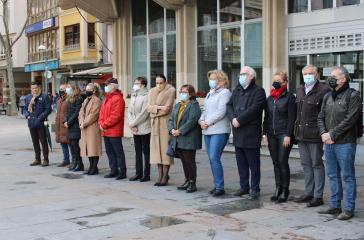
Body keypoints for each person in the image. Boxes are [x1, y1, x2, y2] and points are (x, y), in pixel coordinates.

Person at [317, 67, 362, 220]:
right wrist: (324, 134)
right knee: (332, 175)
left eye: (334, 76)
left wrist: (332, 134)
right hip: (328, 142)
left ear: (343, 79)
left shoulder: (353, 95)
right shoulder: (328, 96)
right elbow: (320, 117)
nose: (331, 78)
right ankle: (335, 205)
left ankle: (348, 208)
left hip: (345, 143)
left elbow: (350, 120)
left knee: (347, 176)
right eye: (331, 76)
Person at [293, 64, 331, 207]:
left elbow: (325, 114)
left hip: (315, 134)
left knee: (316, 164)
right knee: (305, 164)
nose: (307, 76)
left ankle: (318, 196)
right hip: (301, 134)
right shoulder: (300, 89)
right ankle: (308, 192)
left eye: (310, 73)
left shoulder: (324, 90)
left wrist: (323, 132)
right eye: (305, 73)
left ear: (316, 75)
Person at [227, 66, 266, 200]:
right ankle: (244, 186)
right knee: (241, 163)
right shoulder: (237, 90)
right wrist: (232, 119)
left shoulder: (259, 91)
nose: (241, 76)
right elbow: (229, 105)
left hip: (250, 132)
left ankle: (255, 188)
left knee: (253, 164)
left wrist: (240, 120)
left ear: (251, 76)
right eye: (240, 74)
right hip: (237, 131)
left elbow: (255, 109)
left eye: (243, 74)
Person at [263, 71, 296, 203]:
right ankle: (277, 188)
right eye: (274, 80)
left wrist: (288, 134)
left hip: (284, 134)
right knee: (275, 162)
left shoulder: (289, 97)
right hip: (271, 134)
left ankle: (285, 190)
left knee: (282, 161)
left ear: (284, 83)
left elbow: (292, 118)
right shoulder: (270, 98)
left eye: (278, 81)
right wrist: (264, 133)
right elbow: (267, 117)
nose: (275, 83)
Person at [199, 70, 231, 197]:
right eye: (210, 79)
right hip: (207, 130)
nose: (211, 81)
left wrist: (207, 122)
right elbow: (205, 110)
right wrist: (201, 120)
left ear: (221, 80)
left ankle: (220, 187)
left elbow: (221, 111)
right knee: (212, 159)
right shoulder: (210, 94)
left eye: (213, 79)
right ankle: (216, 184)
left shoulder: (225, 92)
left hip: (219, 130)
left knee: (214, 157)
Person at [168, 84, 202, 193]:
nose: (182, 94)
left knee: (190, 161)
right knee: (184, 161)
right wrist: (172, 129)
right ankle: (187, 180)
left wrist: (180, 131)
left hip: (189, 138)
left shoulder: (194, 105)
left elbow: (192, 121)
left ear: (191, 93)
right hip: (178, 138)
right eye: (181, 92)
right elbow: (171, 119)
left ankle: (192, 182)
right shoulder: (178, 105)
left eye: (185, 92)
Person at [147, 74, 176, 186]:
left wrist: (154, 110)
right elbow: (148, 108)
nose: (158, 85)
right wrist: (158, 107)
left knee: (165, 150)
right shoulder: (152, 91)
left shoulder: (170, 90)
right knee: (156, 151)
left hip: (165, 123)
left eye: (161, 83)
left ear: (165, 82)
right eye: (157, 83)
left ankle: (165, 176)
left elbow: (167, 109)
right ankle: (160, 175)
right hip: (155, 125)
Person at [99, 78, 127, 180]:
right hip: (106, 130)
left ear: (113, 86)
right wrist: (101, 124)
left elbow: (116, 116)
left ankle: (122, 172)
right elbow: (101, 113)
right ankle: (113, 170)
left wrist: (104, 125)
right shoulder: (107, 98)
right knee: (109, 152)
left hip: (114, 130)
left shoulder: (118, 99)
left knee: (118, 152)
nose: (105, 87)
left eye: (107, 85)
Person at [127, 77, 151, 182]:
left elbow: (144, 113)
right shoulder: (134, 95)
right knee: (137, 152)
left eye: (137, 83)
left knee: (146, 152)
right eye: (135, 82)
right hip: (135, 127)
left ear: (143, 85)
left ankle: (146, 174)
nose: (135, 84)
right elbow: (129, 111)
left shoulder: (147, 96)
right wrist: (132, 124)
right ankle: (138, 173)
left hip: (144, 127)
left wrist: (134, 123)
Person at [24, 81, 52, 166]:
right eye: (32, 88)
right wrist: (27, 116)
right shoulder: (28, 97)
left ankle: (46, 159)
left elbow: (48, 109)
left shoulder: (44, 96)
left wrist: (40, 118)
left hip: (41, 123)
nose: (34, 90)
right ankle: (37, 159)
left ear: (38, 88)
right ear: (31, 89)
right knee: (35, 141)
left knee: (43, 141)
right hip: (31, 122)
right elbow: (25, 109)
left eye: (36, 88)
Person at [79, 83, 102, 175]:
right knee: (88, 148)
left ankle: (94, 167)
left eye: (89, 89)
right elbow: (81, 112)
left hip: (92, 127)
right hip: (84, 127)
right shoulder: (85, 100)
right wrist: (81, 122)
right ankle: (91, 167)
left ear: (93, 91)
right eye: (86, 89)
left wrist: (84, 123)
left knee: (94, 148)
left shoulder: (97, 100)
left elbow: (94, 114)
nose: (86, 91)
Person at [64, 82, 84, 172]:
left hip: (75, 125)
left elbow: (77, 113)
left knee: (75, 145)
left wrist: (69, 122)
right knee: (71, 144)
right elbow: (67, 112)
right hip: (69, 125)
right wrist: (65, 121)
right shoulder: (69, 98)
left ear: (73, 88)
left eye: (69, 87)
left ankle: (79, 164)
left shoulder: (78, 98)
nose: (67, 89)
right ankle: (75, 162)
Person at [55, 84, 70, 167]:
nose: (61, 90)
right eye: (60, 89)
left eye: (63, 89)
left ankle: (74, 160)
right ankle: (66, 160)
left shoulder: (69, 100)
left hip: (66, 124)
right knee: (63, 143)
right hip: (60, 125)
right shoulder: (59, 100)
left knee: (70, 144)